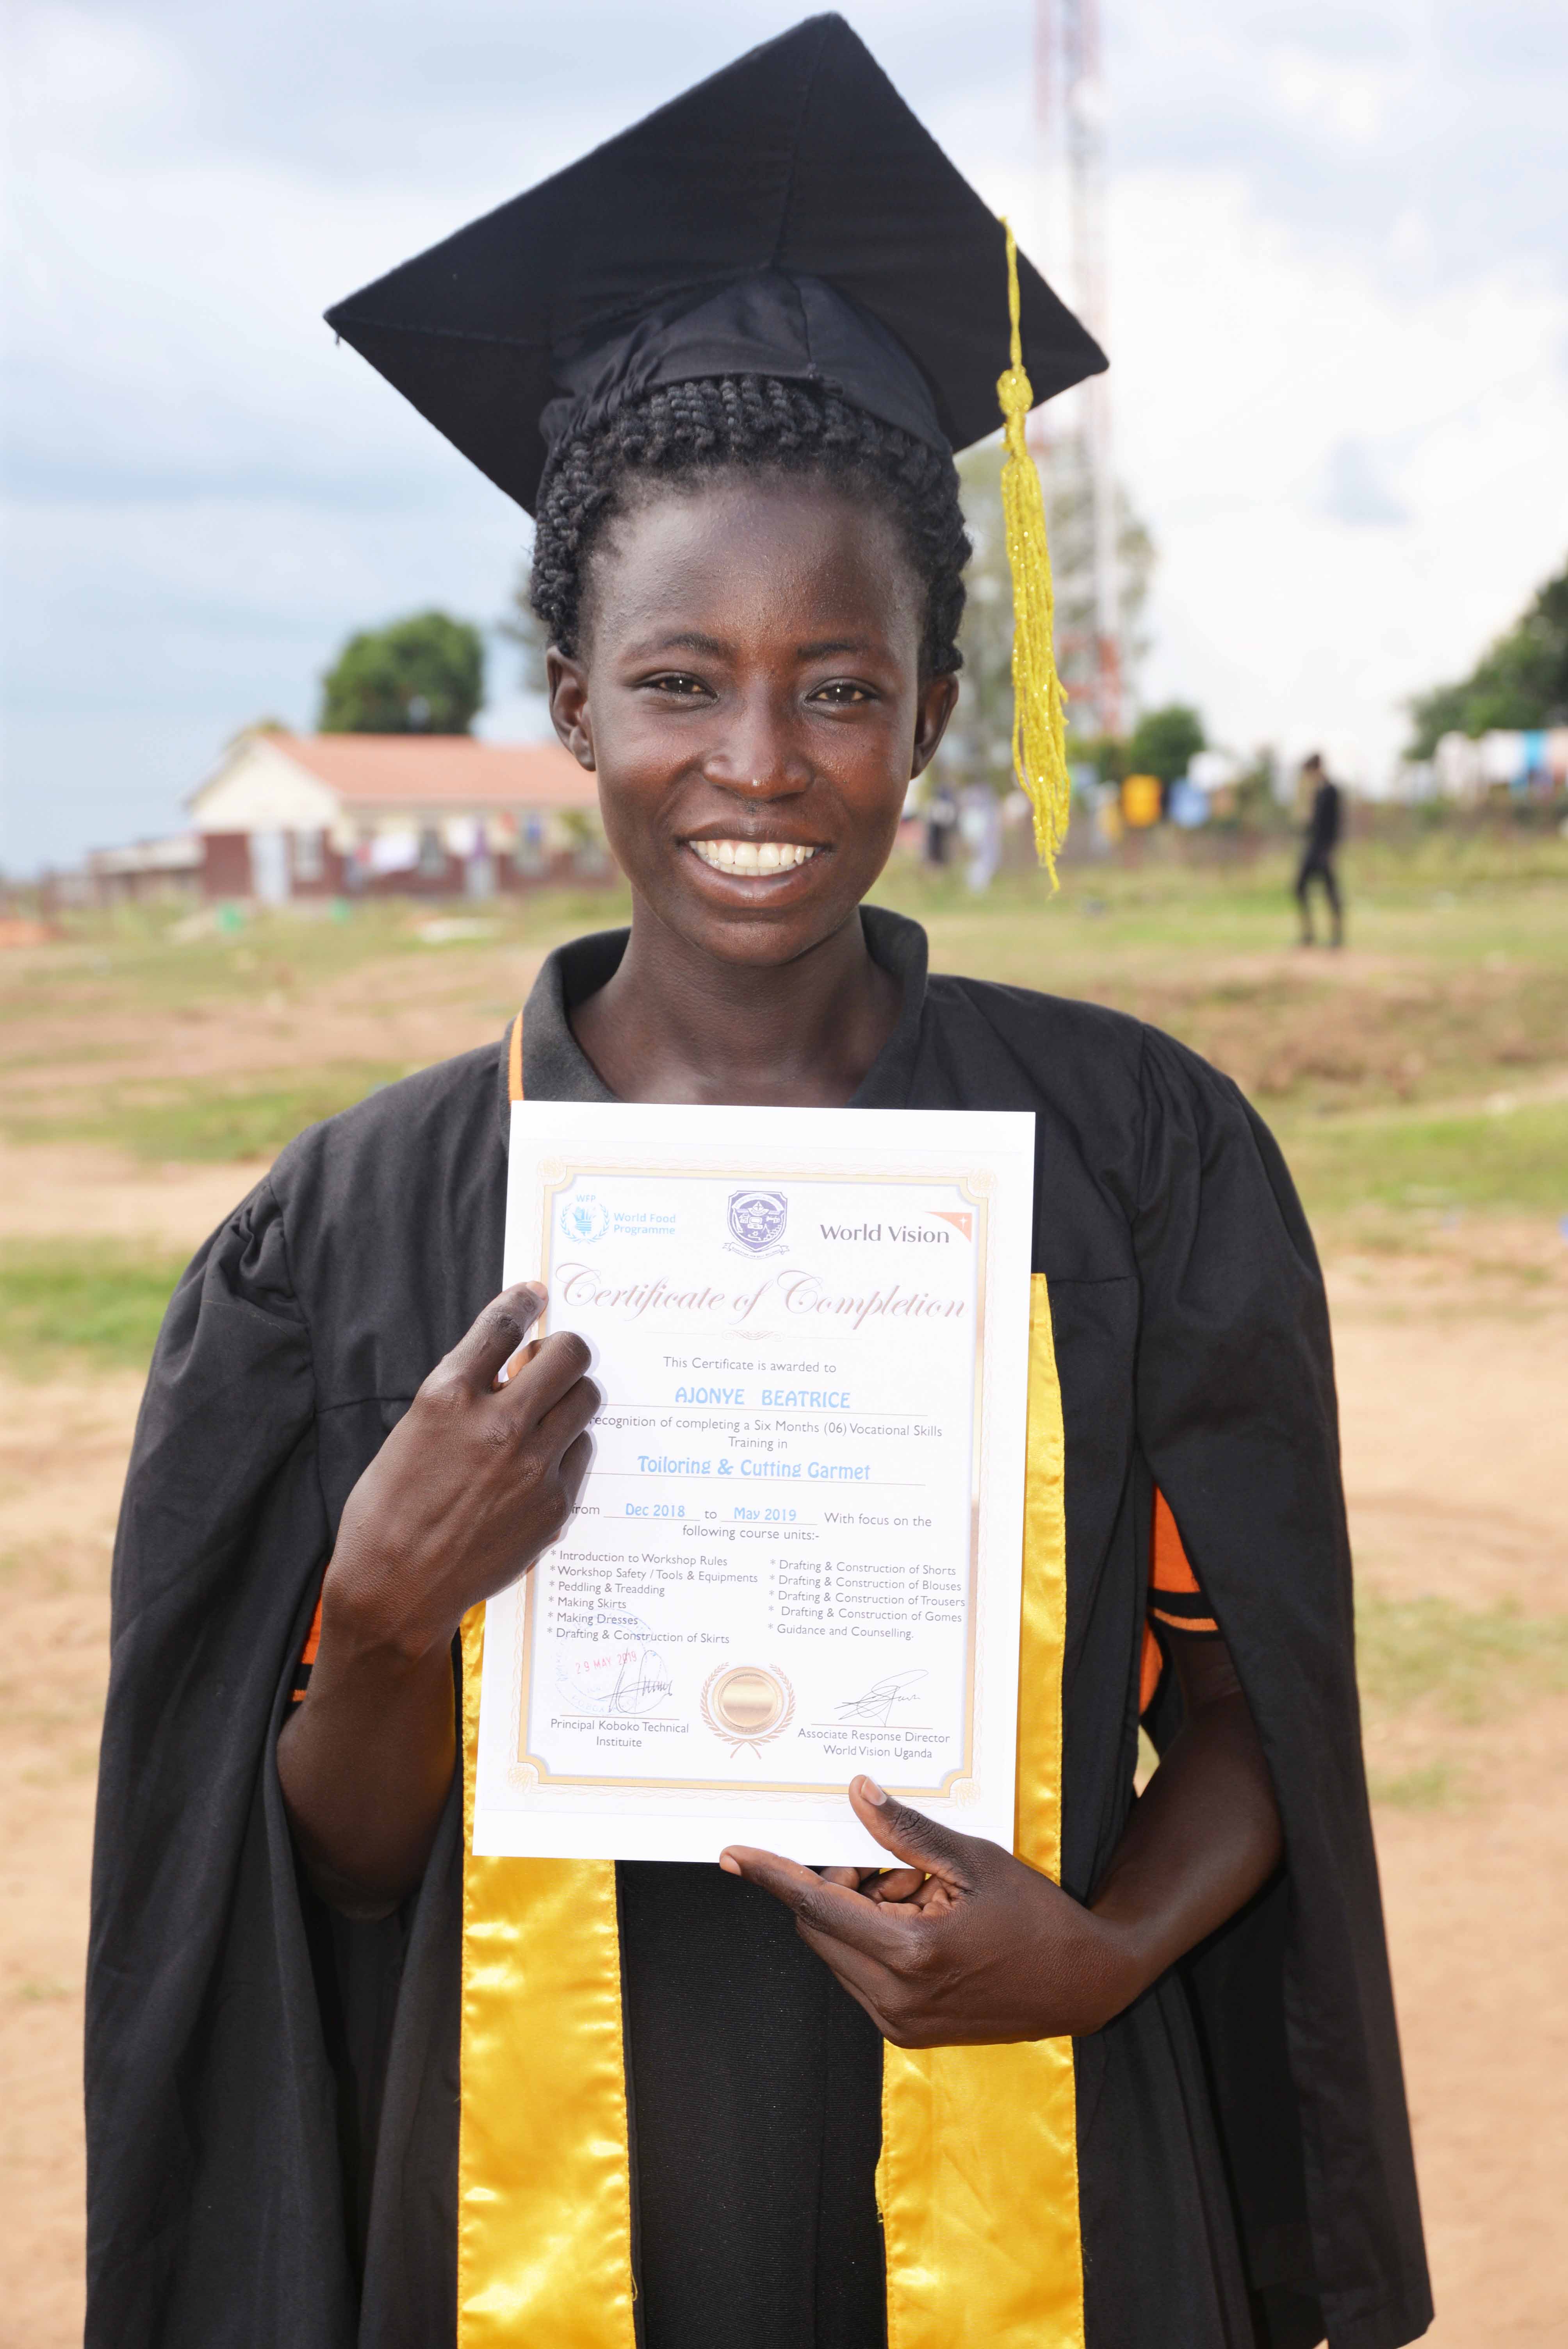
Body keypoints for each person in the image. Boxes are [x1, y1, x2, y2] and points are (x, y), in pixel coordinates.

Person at [86, 19, 1429, 2349]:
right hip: (525, 2214)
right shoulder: (361, 1231)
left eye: (838, 685)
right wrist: (390, 1615)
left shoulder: (1134, 1164)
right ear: (577, 702)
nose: (761, 760)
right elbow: (336, 1863)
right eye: (686, 679)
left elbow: (1246, 1717)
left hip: (1040, 2169)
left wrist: (1103, 1951)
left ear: (930, 709)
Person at [1295, 752, 1344, 947]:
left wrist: (1332, 850)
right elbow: (1312, 825)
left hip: (1325, 849)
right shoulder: (1316, 793)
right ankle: (1309, 935)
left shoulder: (1332, 791)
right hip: (1313, 848)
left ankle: (1337, 937)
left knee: (1331, 893)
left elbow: (1335, 824)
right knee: (1299, 888)